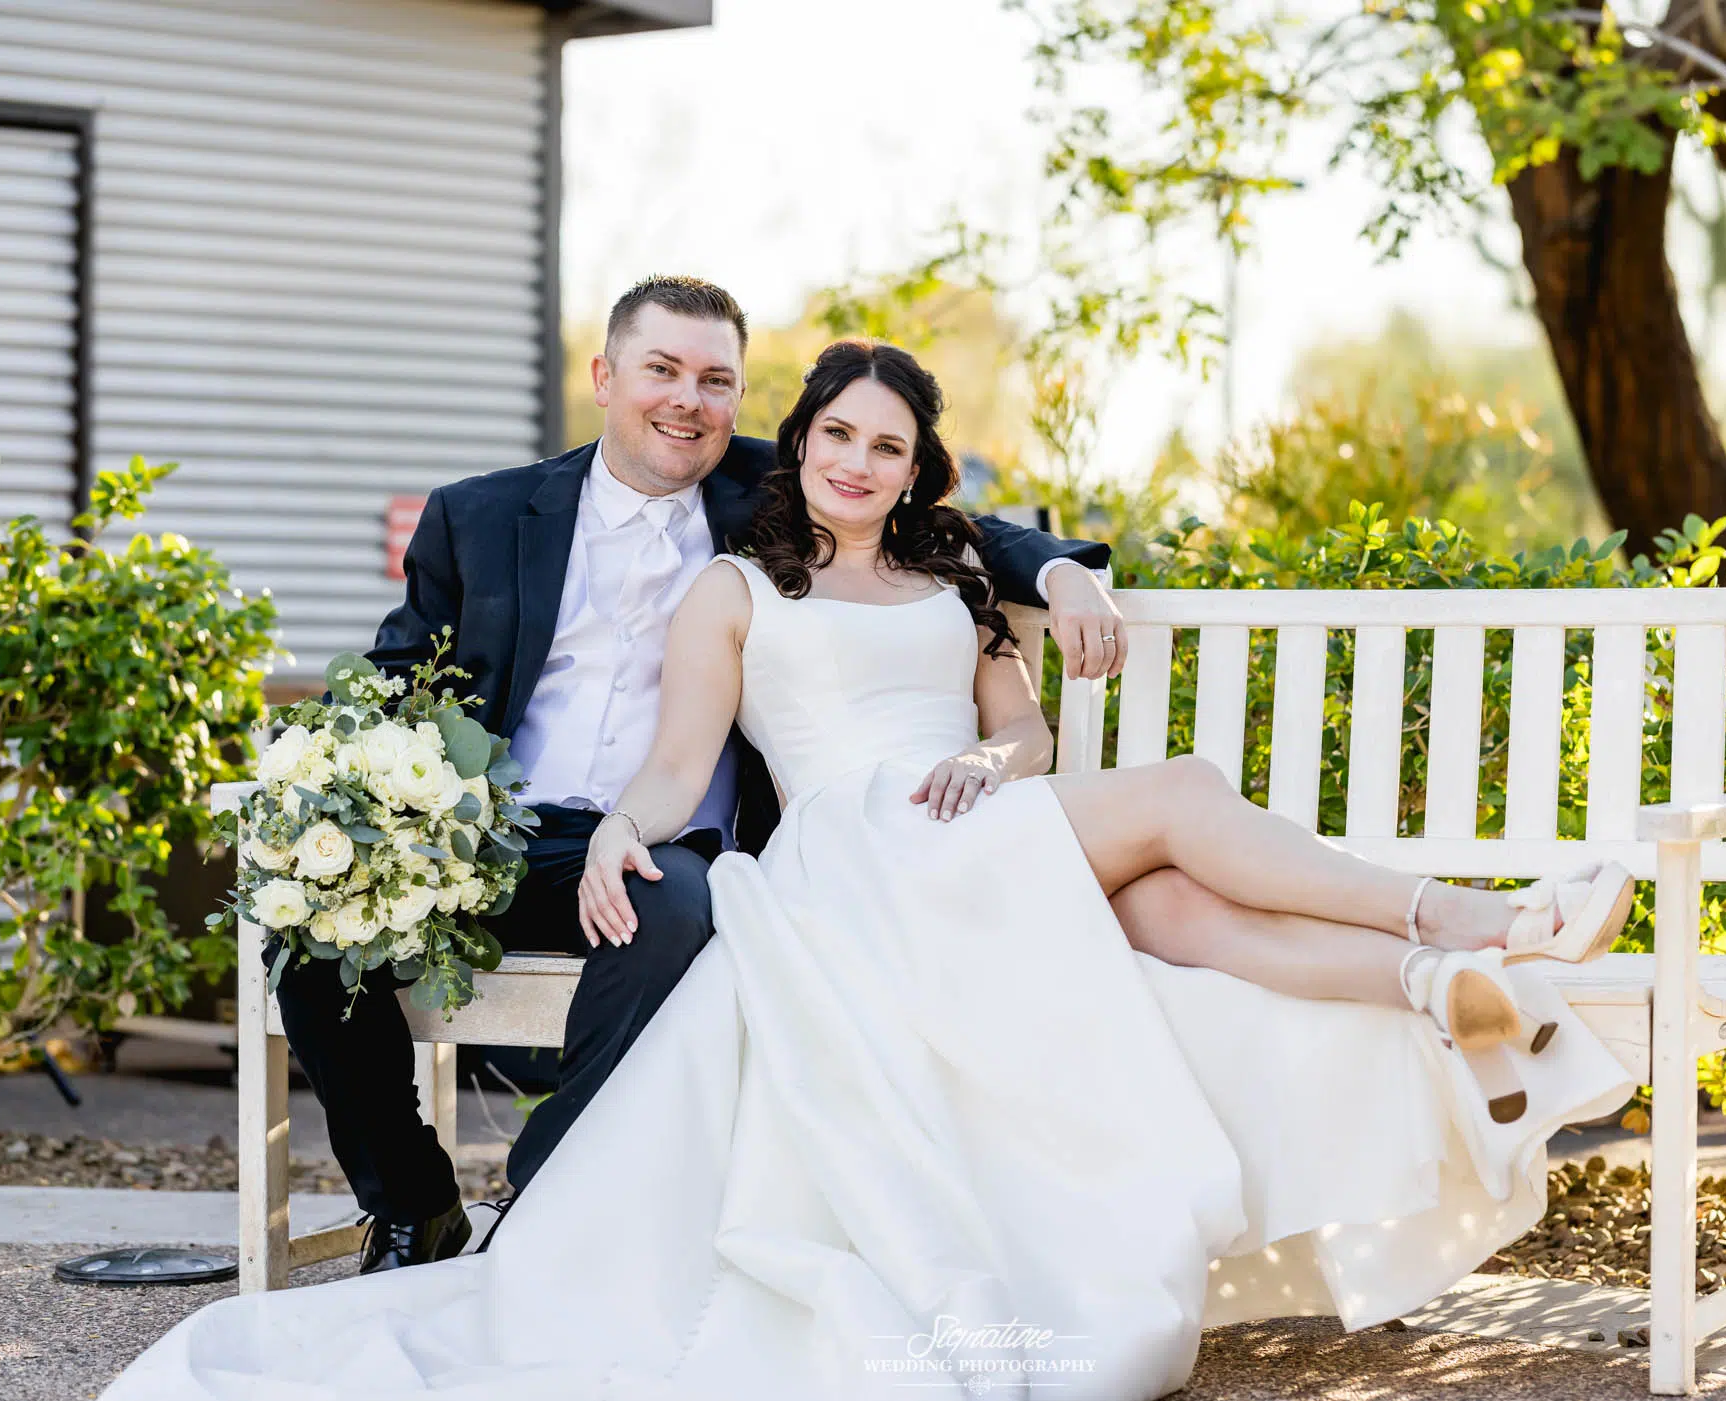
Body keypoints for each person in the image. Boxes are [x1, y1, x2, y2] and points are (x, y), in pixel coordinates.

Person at [107, 340, 1633, 1401]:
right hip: (853, 850)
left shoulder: (958, 573)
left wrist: (997, 756)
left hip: (974, 820)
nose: (853, 459)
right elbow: (674, 754)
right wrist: (634, 824)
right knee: (1166, 803)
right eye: (833, 433)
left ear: (915, 468)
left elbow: (1024, 734)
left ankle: (1449, 973)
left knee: (1170, 903)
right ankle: (1477, 915)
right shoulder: (733, 583)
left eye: (885, 444)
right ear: (805, 444)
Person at [271, 276, 1126, 1275]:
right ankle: (415, 1207)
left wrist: (1065, 569)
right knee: (309, 933)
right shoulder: (481, 516)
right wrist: (323, 784)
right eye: (662, 370)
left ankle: (543, 1200)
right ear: (603, 377)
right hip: (484, 835)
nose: (688, 400)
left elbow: (935, 514)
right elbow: (393, 680)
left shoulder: (770, 489)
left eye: (716, 380)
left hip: (659, 840)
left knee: (672, 908)